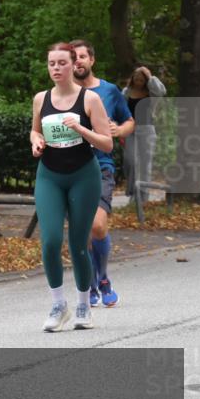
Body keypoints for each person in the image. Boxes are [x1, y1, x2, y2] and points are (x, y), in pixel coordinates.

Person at [31, 42, 113, 332]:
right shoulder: (41, 98)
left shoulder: (89, 99)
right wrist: (35, 141)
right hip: (49, 176)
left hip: (83, 176)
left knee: (79, 244)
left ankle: (82, 304)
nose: (56, 68)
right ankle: (58, 305)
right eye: (51, 63)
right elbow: (35, 129)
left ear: (73, 64)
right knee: (51, 241)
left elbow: (107, 142)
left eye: (62, 63)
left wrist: (81, 129)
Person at [71, 39, 134, 308]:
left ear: (91, 60)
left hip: (101, 166)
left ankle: (104, 277)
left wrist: (120, 130)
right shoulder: (62, 94)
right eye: (73, 57)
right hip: (71, 169)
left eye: (82, 56)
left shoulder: (109, 91)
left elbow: (130, 120)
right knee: (81, 232)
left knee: (97, 226)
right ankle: (91, 283)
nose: (78, 61)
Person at [122, 65, 167, 205]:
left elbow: (162, 91)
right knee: (130, 161)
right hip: (130, 130)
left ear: (146, 80)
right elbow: (120, 110)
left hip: (147, 130)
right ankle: (132, 191)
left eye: (142, 79)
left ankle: (143, 197)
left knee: (145, 165)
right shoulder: (126, 92)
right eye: (136, 78)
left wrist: (151, 76)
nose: (138, 81)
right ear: (133, 79)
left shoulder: (151, 92)